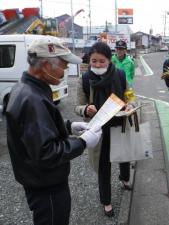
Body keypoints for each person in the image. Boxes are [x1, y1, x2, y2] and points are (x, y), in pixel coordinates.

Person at [6, 36, 102, 225]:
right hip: (46, 185)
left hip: (38, 179)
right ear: (45, 65)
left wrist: (68, 127)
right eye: (63, 64)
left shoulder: (26, 88)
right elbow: (47, 153)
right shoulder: (32, 99)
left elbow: (36, 130)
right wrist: (82, 142)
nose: (66, 69)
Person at [75, 42, 131, 217]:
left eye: (102, 61)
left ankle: (124, 178)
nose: (97, 65)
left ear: (109, 60)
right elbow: (78, 105)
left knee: (124, 157)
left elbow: (129, 94)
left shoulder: (120, 75)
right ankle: (106, 201)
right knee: (103, 165)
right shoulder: (84, 79)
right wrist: (85, 109)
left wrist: (130, 104)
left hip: (119, 124)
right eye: (94, 61)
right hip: (98, 129)